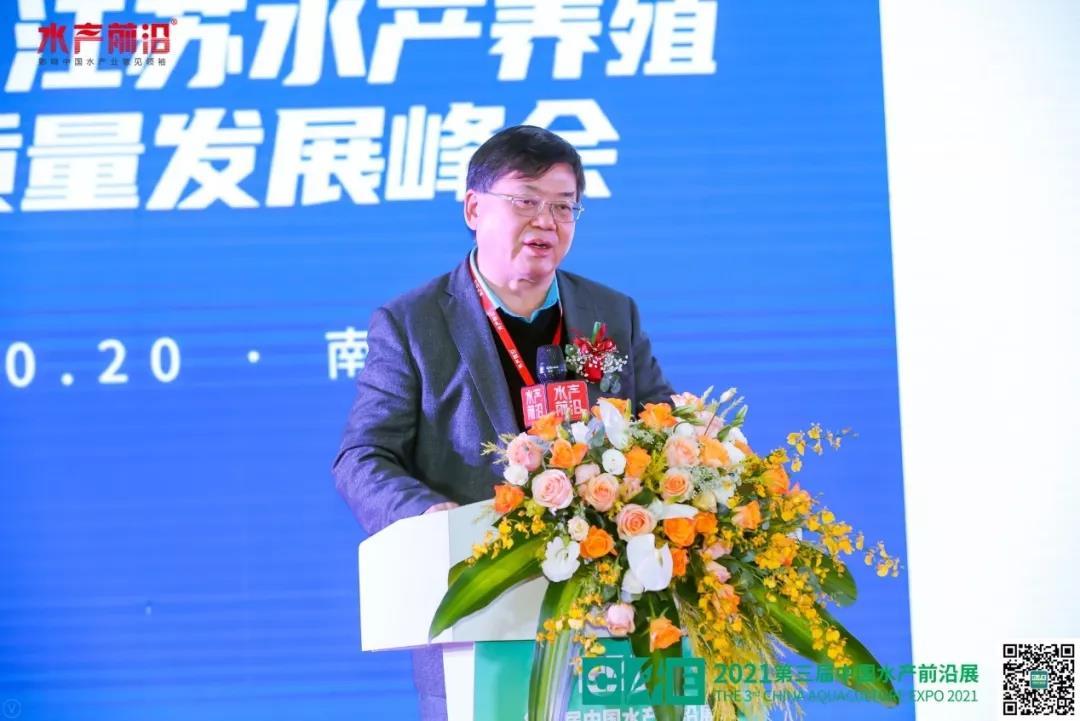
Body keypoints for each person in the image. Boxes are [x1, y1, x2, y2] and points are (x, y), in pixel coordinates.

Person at [331, 125, 674, 721]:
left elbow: (663, 429)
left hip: (614, 618)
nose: (546, 221)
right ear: (473, 209)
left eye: (563, 206)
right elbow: (361, 458)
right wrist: (433, 519)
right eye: (525, 200)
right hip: (482, 624)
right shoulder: (413, 324)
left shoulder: (610, 313)